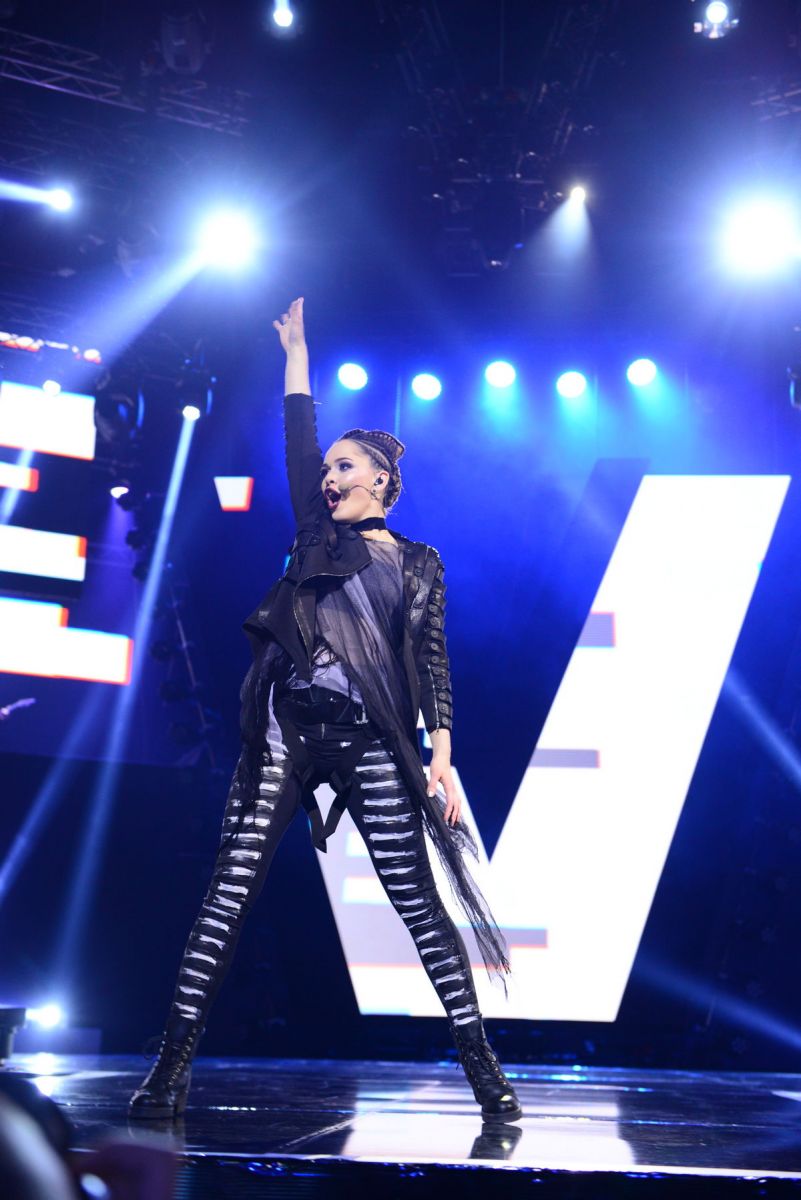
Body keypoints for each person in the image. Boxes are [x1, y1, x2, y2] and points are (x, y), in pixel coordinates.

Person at [129, 298, 521, 1124]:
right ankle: (169, 1069)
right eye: (326, 470)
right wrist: (296, 355)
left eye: (345, 467)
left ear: (380, 480)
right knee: (227, 893)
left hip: (372, 738)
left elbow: (430, 658)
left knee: (418, 905)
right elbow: (297, 436)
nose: (328, 477)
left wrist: (441, 753)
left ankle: (483, 1070)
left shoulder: (418, 562)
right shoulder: (316, 533)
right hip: (287, 727)